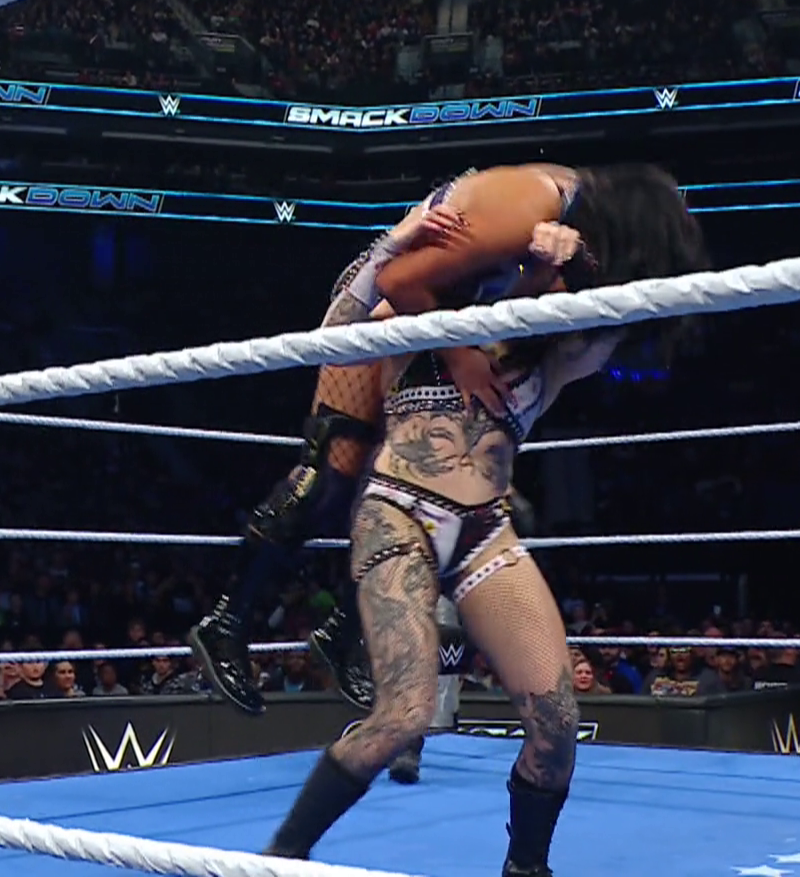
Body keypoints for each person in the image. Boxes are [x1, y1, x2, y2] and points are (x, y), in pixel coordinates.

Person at [261, 166, 707, 876]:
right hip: (398, 514)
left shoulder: (560, 352)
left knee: (557, 725)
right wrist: (405, 256)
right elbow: (345, 328)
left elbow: (624, 318)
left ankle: (526, 870)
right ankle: (283, 855)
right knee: (402, 716)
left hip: (484, 533)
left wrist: (580, 266)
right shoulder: (418, 315)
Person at [190, 163, 674, 717]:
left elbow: (508, 308)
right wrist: (461, 354)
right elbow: (398, 282)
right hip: (391, 311)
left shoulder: (569, 233)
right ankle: (227, 623)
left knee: (424, 492)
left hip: (434, 320)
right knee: (329, 478)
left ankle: (345, 632)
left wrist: (544, 271)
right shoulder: (537, 200)